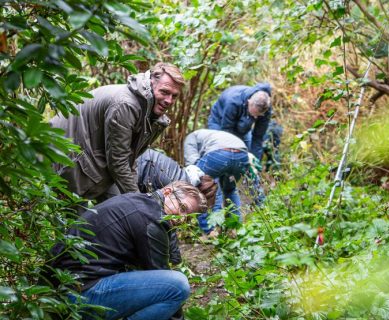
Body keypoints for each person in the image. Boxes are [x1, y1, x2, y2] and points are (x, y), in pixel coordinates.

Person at [48, 181, 208, 320]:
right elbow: (165, 282)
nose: (182, 219)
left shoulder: (137, 202)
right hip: (76, 299)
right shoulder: (153, 221)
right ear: (167, 192)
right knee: (178, 286)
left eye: (187, 217)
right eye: (182, 208)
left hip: (55, 292)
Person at [51, 63, 185, 200]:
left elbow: (129, 158)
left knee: (120, 207)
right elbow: (118, 161)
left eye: (174, 96)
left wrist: (136, 199)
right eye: (164, 92)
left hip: (92, 157)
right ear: (151, 83)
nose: (169, 100)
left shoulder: (151, 111)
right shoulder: (126, 105)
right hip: (64, 154)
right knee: (78, 217)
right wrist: (139, 202)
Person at [207, 83, 273, 206]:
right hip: (219, 124)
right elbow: (226, 135)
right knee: (224, 158)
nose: (254, 117)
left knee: (249, 165)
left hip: (243, 127)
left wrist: (253, 161)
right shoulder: (233, 101)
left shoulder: (265, 109)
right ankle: (218, 201)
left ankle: (261, 205)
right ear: (249, 102)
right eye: (253, 114)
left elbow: (258, 138)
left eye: (256, 116)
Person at [184, 129, 250, 235]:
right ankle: (235, 228)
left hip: (219, 154)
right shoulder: (214, 134)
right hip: (241, 155)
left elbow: (193, 166)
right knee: (230, 189)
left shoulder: (191, 137)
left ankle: (210, 230)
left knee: (201, 188)